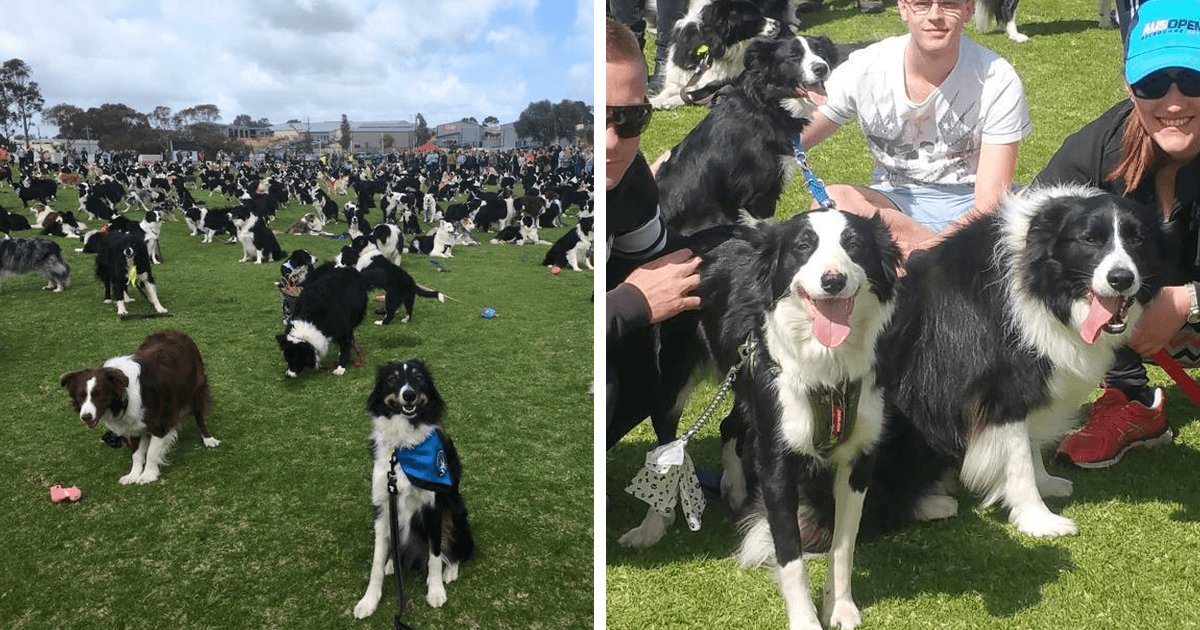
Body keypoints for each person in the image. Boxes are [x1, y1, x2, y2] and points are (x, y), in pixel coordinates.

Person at [1033, 0, 1199, 468]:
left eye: (1193, 79)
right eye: (1152, 83)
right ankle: (1127, 398)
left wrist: (1189, 299)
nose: (1173, 101)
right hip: (1134, 314)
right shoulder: (1097, 147)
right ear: (1129, 86)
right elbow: (1029, 227)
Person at [800, 0, 1031, 257]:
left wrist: (925, 254)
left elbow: (988, 205)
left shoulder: (998, 78)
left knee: (1033, 217)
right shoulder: (867, 67)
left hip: (968, 200)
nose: (935, 16)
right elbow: (791, 137)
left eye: (948, 4)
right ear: (902, 8)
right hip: (893, 203)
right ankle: (953, 269)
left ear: (969, 9)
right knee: (832, 201)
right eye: (922, 4)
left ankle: (917, 267)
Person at [605, 17, 701, 428]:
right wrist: (631, 304)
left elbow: (658, 251)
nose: (611, 140)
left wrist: (760, 249)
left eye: (628, 119)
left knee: (659, 358)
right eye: (596, 119)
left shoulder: (631, 179)